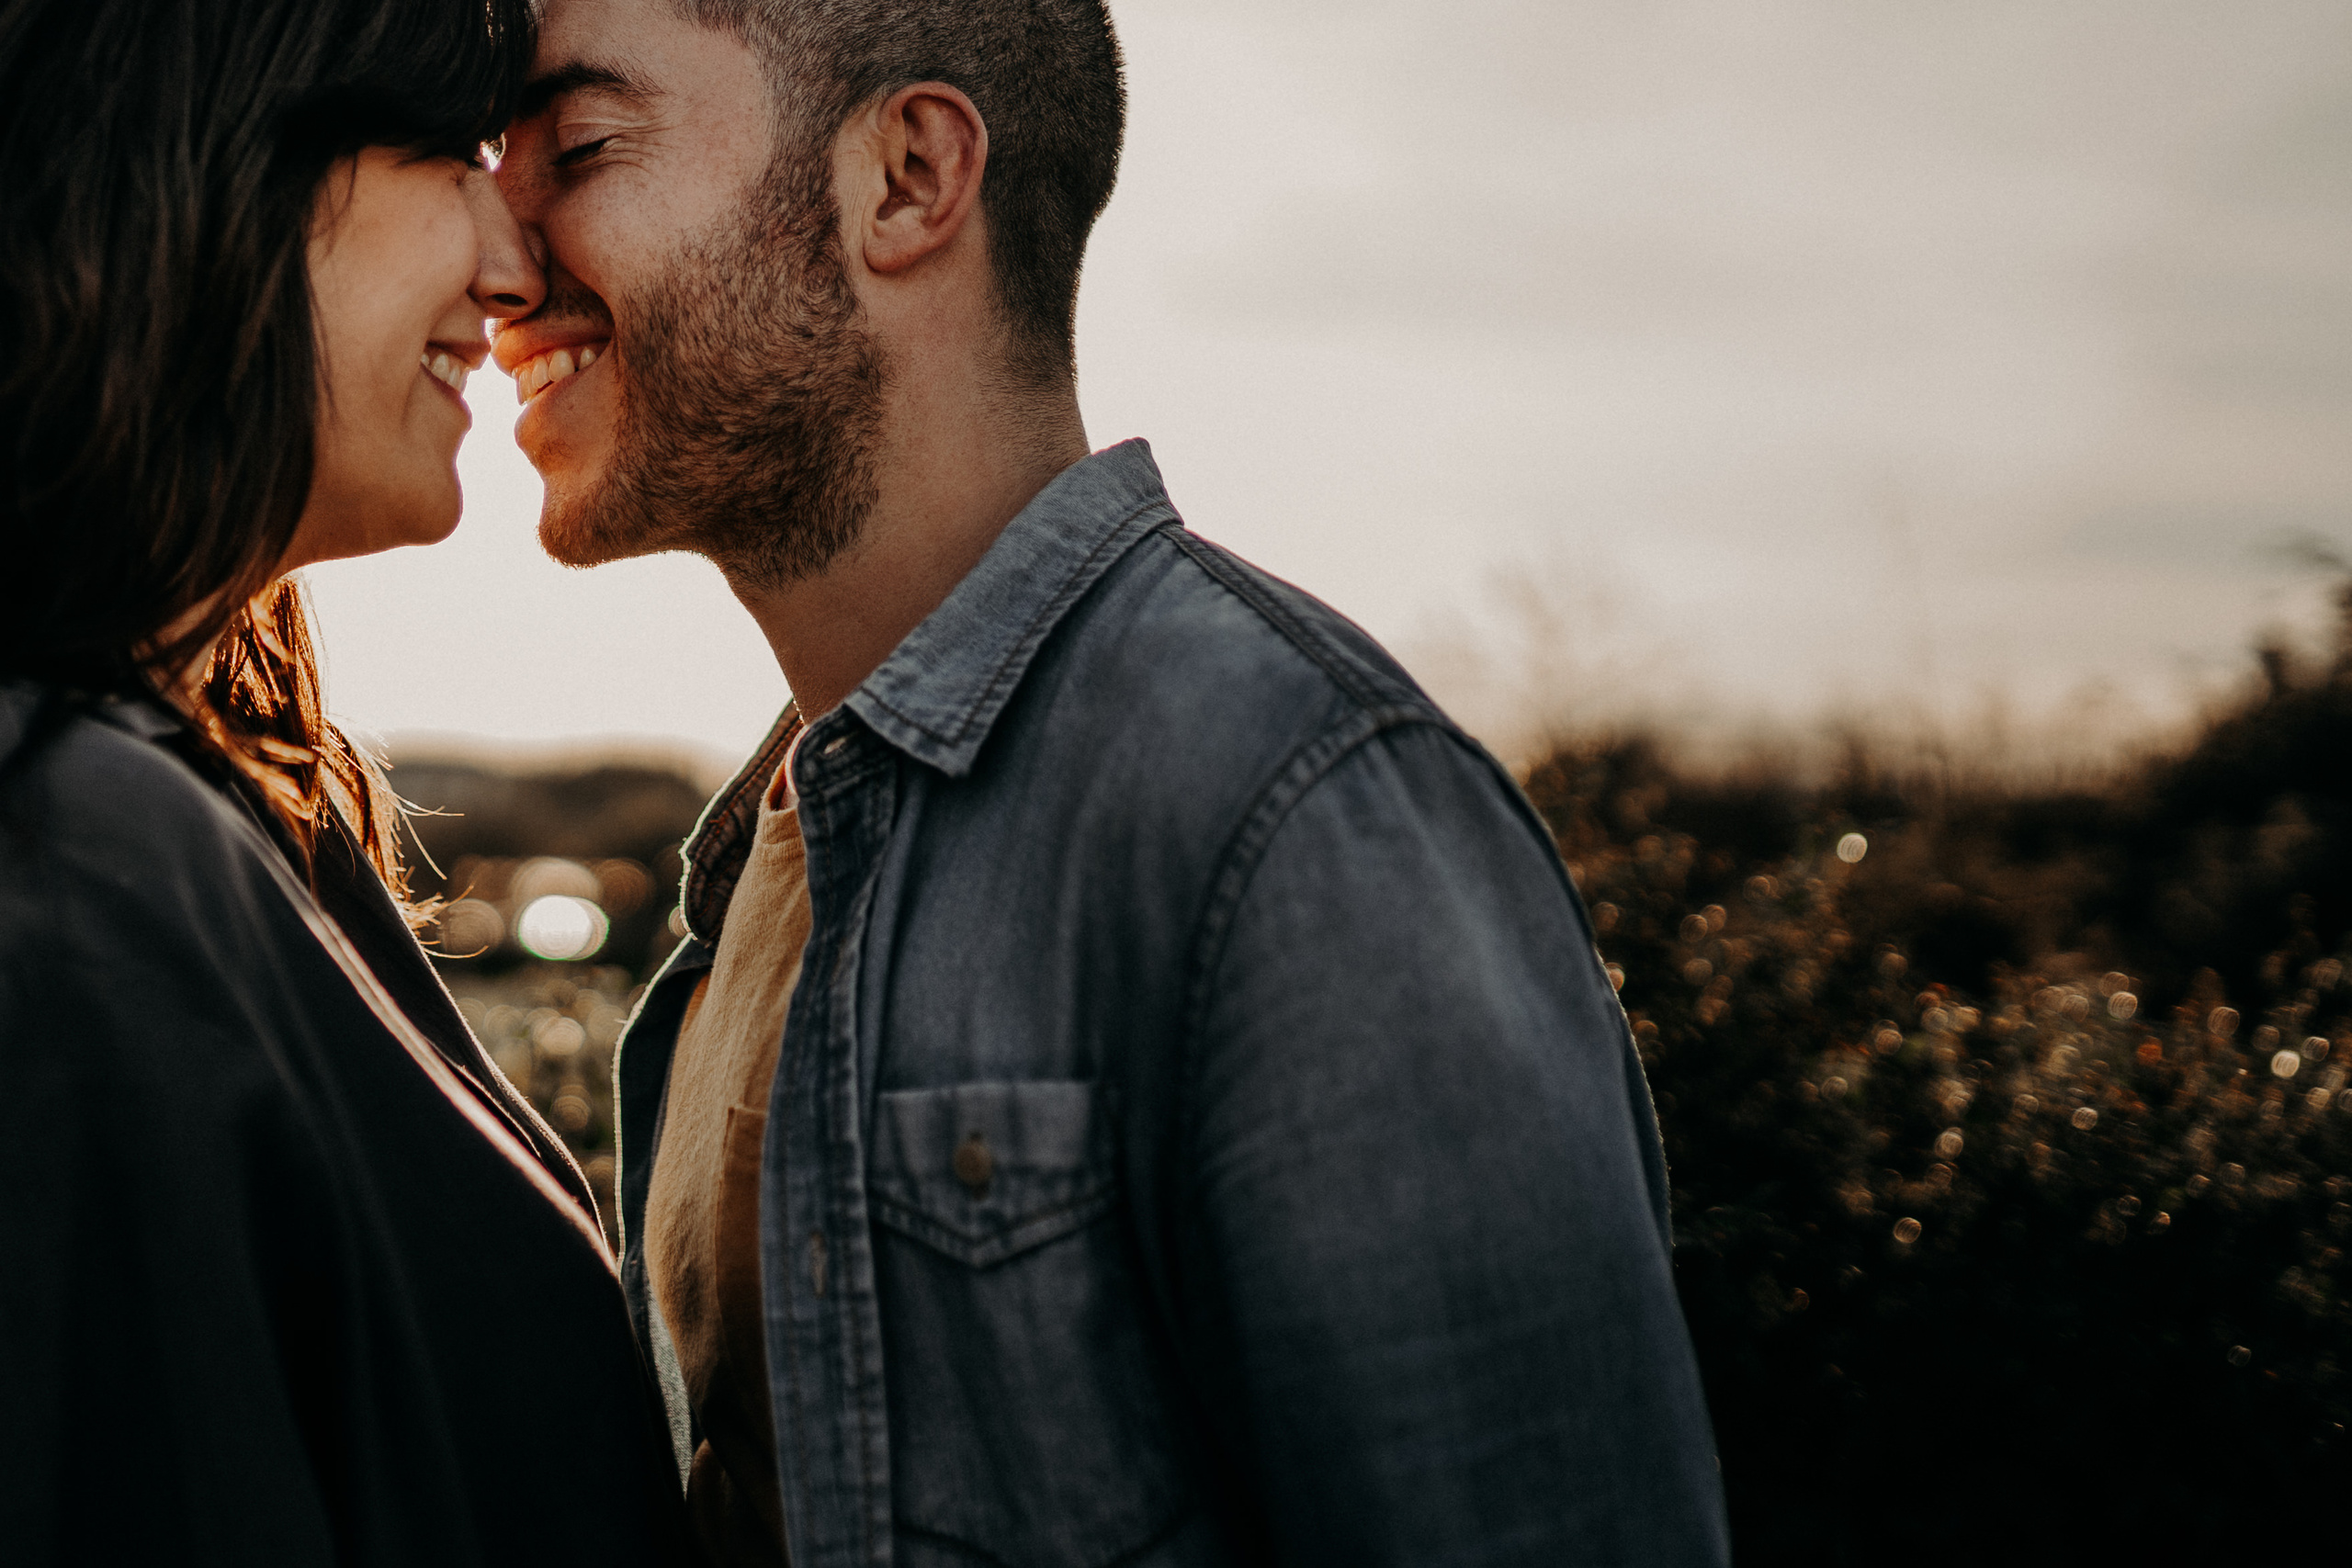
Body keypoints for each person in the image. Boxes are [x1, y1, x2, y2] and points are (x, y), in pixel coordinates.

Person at [494, 0, 1731, 1562]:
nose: (497, 240)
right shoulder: (773, 862)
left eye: (581, 145)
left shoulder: (1302, 813)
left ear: (909, 175)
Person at [0, 0, 692, 1561]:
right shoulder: (67, 861)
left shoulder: (210, 816)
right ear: (204, 145)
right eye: (452, 150)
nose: (518, 273)